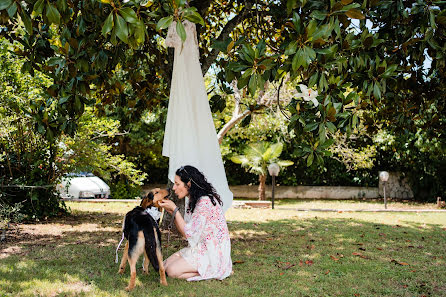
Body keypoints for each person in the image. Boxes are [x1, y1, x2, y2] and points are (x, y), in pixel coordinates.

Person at [158, 165, 232, 281]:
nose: (173, 188)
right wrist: (173, 211)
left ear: (189, 184)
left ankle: (211, 271)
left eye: (177, 184)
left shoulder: (204, 202)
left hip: (212, 252)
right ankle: (203, 269)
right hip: (200, 247)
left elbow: (188, 234)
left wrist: (175, 210)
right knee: (164, 266)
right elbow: (186, 231)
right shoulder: (194, 200)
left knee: (171, 271)